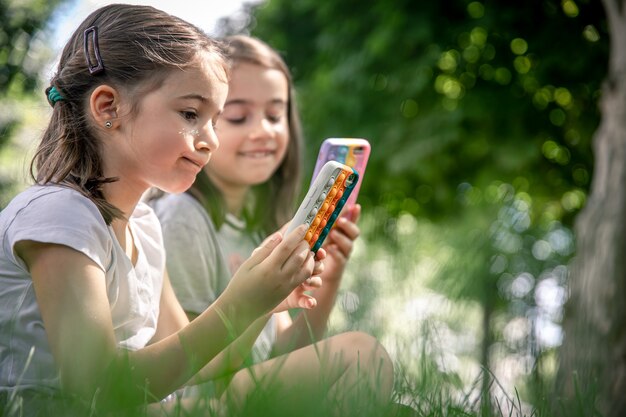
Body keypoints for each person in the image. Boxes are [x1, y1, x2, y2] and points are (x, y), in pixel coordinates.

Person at [0, 4, 393, 417]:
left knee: (361, 358)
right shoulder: (60, 215)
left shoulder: (145, 227)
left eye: (215, 120)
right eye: (191, 114)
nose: (211, 140)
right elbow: (97, 385)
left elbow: (197, 366)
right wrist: (239, 304)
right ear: (107, 107)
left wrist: (260, 302)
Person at [150, 35, 363, 366]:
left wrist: (330, 275)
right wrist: (259, 301)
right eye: (237, 116)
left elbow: (282, 355)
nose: (264, 130)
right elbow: (188, 377)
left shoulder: (257, 222)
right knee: (357, 356)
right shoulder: (182, 219)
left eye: (275, 116)